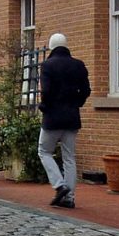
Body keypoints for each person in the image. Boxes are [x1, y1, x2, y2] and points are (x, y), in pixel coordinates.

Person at [37, 32, 91, 209]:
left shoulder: (47, 65)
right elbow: (85, 91)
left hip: (52, 116)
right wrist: (77, 103)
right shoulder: (78, 65)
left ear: (52, 47)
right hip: (71, 116)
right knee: (69, 157)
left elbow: (46, 91)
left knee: (44, 151)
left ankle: (59, 185)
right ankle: (70, 197)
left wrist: (44, 106)